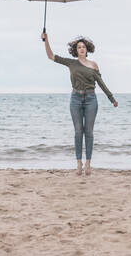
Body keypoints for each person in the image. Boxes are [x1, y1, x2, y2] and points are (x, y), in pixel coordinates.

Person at [41, 32, 118, 176]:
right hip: (75, 99)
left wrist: (111, 98)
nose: (81, 49)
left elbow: (101, 83)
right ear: (75, 51)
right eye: (79, 47)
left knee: (88, 132)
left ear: (87, 50)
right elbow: (51, 56)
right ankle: (78, 164)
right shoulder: (72, 63)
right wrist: (46, 40)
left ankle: (88, 164)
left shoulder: (93, 65)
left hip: (91, 99)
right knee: (78, 132)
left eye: (83, 47)